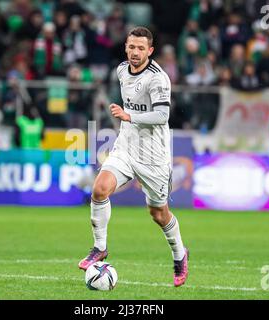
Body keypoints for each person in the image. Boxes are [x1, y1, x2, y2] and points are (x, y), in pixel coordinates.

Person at [78, 27, 189, 287]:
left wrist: (130, 116)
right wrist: (128, 121)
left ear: (150, 51)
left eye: (141, 48)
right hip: (126, 146)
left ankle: (180, 254)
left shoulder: (158, 79)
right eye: (131, 47)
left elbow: (163, 116)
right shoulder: (120, 71)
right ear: (125, 47)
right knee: (100, 189)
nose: (135, 52)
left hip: (154, 155)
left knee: (158, 213)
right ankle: (100, 248)